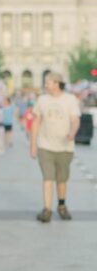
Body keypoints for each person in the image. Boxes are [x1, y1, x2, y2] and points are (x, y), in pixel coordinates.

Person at [30, 72, 81, 223]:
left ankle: (62, 205)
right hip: (45, 145)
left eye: (48, 82)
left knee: (61, 179)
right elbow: (36, 122)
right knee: (48, 178)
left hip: (65, 147)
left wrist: (72, 132)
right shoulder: (42, 100)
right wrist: (33, 144)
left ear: (57, 83)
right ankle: (47, 210)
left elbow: (75, 120)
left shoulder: (70, 99)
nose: (45, 85)